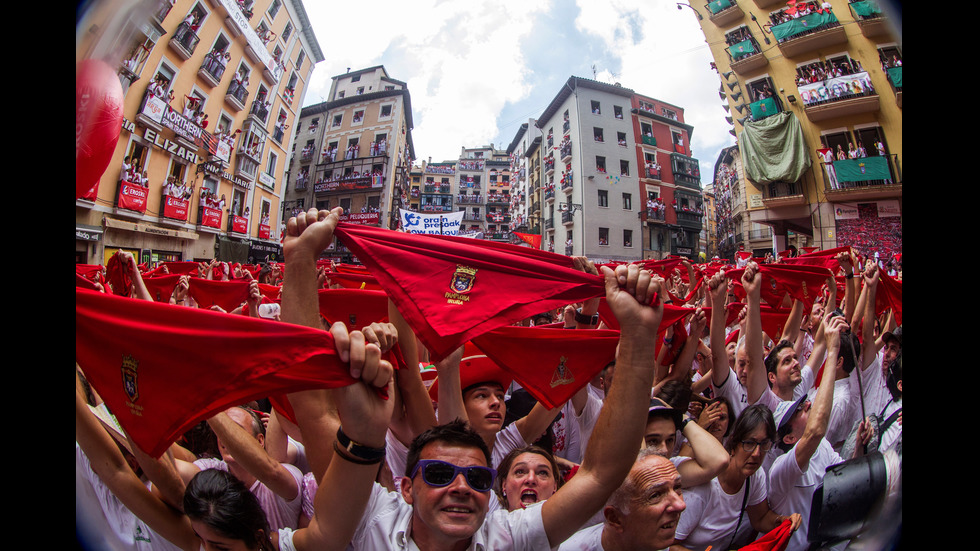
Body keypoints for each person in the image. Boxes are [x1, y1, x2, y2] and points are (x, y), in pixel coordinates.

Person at [287, 206, 669, 550]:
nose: (461, 488)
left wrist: (637, 336)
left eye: (478, 479)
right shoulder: (369, 517)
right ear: (405, 488)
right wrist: (300, 260)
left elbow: (601, 474)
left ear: (494, 490)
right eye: (437, 474)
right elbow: (317, 413)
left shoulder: (508, 536)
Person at [672, 405, 802, 551]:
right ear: (734, 444)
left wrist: (783, 521)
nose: (756, 453)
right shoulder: (703, 487)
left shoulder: (755, 476)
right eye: (749, 443)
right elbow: (669, 545)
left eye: (764, 444)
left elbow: (761, 518)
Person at [557, 450, 686, 551]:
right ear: (615, 518)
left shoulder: (651, 536)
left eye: (677, 488)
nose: (680, 505)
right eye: (655, 495)